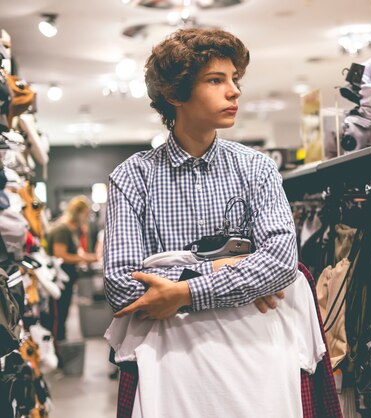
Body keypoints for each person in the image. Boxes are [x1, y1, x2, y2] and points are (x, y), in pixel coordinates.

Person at [103, 28, 322, 417]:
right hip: (171, 370)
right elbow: (123, 287)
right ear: (174, 94)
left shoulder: (257, 168)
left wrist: (181, 293)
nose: (234, 90)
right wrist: (231, 269)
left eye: (234, 78)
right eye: (216, 80)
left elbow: (280, 263)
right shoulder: (132, 178)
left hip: (255, 363)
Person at [45, 195, 98, 341]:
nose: (87, 218)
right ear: (79, 212)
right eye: (86, 214)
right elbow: (60, 255)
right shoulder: (62, 229)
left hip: (66, 279)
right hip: (59, 281)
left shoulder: (71, 229)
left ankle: (60, 345)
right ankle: (58, 349)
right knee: (58, 317)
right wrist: (86, 258)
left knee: (62, 315)